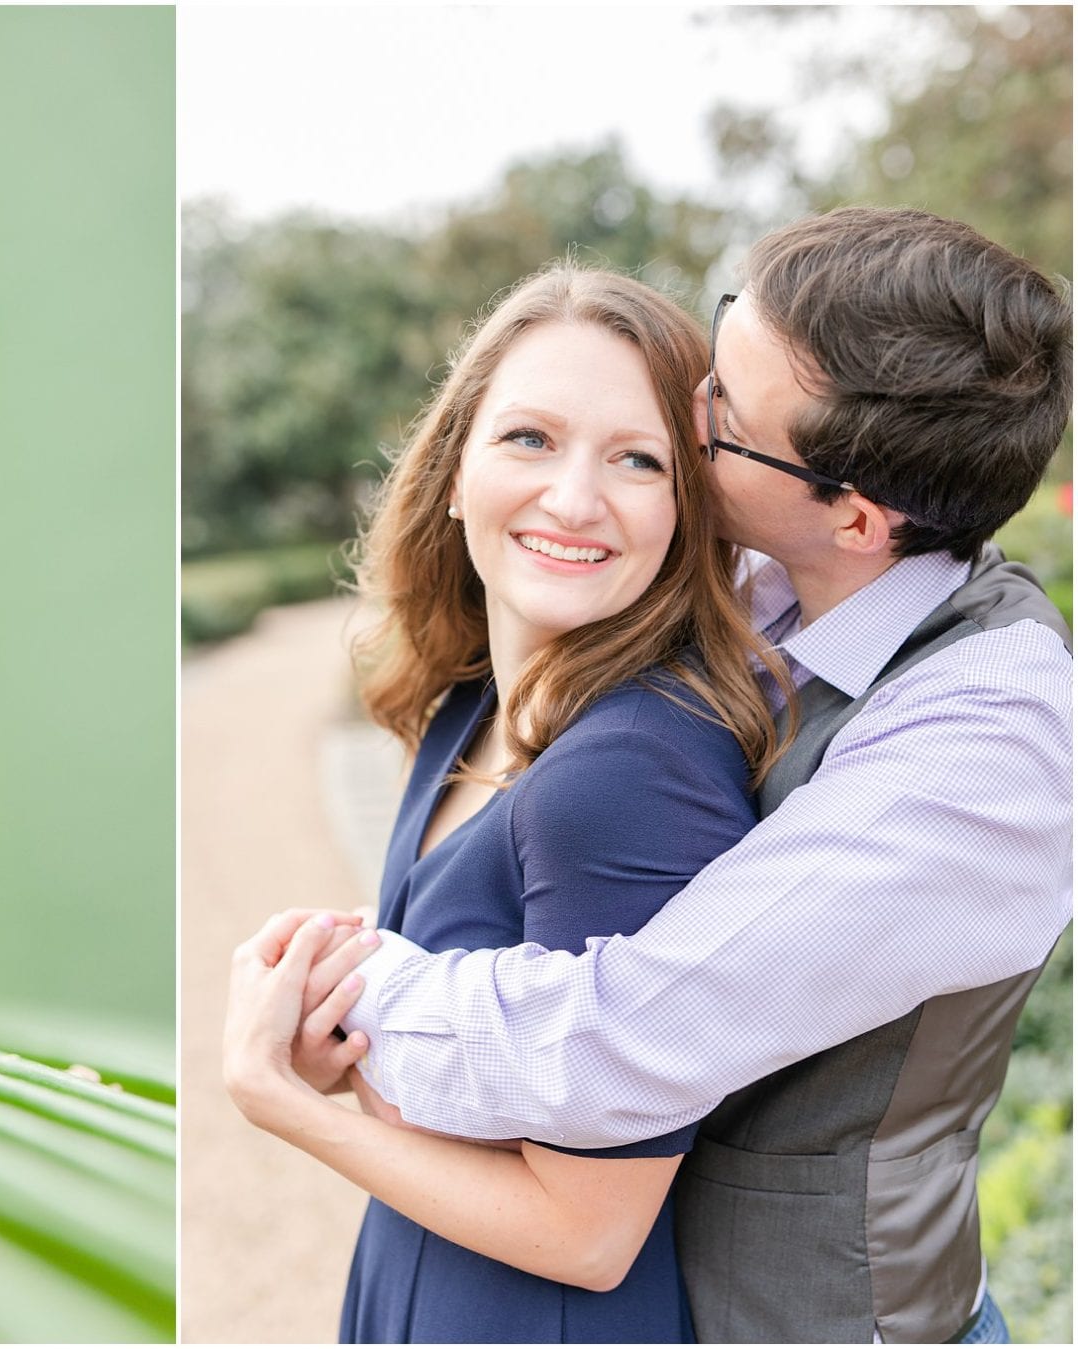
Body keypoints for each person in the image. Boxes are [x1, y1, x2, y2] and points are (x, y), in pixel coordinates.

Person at [304, 207, 1072, 1343]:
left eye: (718, 416)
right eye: (720, 351)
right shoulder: (778, 580)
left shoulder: (980, 743)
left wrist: (335, 1001)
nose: (691, 407)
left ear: (859, 515)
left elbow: (623, 1035)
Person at [223, 264, 792, 1342]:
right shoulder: (470, 707)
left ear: (688, 509)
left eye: (637, 458)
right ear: (453, 470)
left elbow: (591, 1229)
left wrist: (281, 1099)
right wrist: (341, 1046)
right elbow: (491, 1106)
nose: (575, 498)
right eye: (530, 438)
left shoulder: (631, 772)